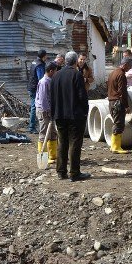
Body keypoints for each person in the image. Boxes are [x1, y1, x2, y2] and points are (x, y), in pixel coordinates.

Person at [50, 51, 90, 181]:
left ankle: (61, 172)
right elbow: (82, 96)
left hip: (60, 115)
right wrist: (85, 111)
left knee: (62, 143)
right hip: (74, 116)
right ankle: (74, 173)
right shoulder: (77, 74)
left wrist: (53, 114)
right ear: (75, 62)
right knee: (75, 143)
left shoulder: (56, 76)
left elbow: (52, 97)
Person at [107, 55, 131, 154]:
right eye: (129, 66)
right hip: (117, 102)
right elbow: (122, 92)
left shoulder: (113, 72)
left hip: (111, 101)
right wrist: (126, 105)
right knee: (119, 123)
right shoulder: (121, 74)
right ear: (125, 64)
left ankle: (114, 146)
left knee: (116, 122)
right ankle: (116, 147)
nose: (130, 68)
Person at [35, 61, 59, 163]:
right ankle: (43, 158)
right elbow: (43, 100)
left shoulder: (50, 80)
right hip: (44, 111)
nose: (57, 73)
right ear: (50, 71)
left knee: (53, 133)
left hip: (51, 111)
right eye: (56, 71)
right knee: (44, 134)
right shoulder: (44, 82)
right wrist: (48, 112)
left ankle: (53, 155)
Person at [26, 49, 47, 134]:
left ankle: (33, 125)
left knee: (34, 106)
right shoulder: (39, 65)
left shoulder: (34, 62)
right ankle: (31, 127)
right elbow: (41, 78)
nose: (47, 57)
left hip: (31, 87)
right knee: (34, 107)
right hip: (34, 88)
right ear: (44, 56)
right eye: (46, 56)